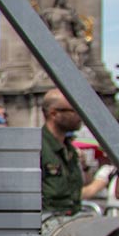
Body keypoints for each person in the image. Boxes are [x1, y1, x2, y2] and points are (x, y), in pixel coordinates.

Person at [39, 88, 84, 216]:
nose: (80, 115)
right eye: (74, 110)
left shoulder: (69, 149)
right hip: (48, 223)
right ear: (54, 114)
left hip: (72, 219)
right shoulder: (38, 147)